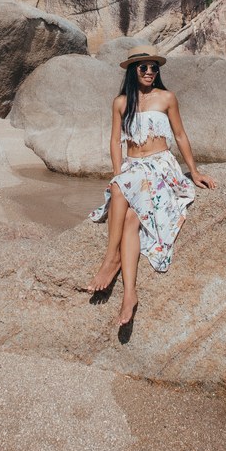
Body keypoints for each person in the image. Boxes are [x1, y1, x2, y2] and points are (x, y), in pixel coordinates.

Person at [87, 45, 217, 327]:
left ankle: (111, 259)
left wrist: (193, 171)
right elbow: (114, 140)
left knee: (124, 194)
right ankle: (130, 294)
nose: (149, 72)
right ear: (133, 71)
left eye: (154, 67)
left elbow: (180, 135)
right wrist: (117, 171)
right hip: (133, 167)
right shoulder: (121, 102)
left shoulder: (167, 97)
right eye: (143, 67)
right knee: (130, 215)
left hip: (160, 167)